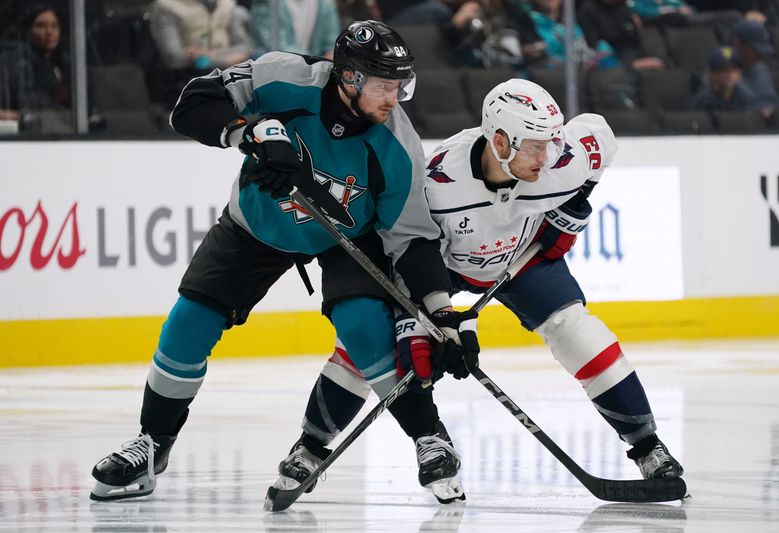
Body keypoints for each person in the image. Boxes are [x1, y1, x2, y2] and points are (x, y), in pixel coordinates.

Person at [89, 20, 479, 503]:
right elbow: (191, 105)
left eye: (400, 85)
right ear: (349, 76)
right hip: (256, 225)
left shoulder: (399, 147)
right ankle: (153, 444)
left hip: (347, 238)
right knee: (189, 322)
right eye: (384, 86)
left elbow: (413, 240)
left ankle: (430, 437)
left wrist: (442, 313)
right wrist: (248, 134)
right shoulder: (283, 77)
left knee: (362, 325)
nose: (394, 98)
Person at [276, 79, 685, 503]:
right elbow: (414, 256)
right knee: (370, 347)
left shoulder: (562, 158)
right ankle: (311, 448)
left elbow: (600, 137)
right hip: (444, 268)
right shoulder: (436, 186)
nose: (547, 158)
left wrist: (573, 205)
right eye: (535, 148)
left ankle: (648, 448)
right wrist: (428, 326)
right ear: (501, 141)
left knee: (578, 331)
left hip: (522, 259)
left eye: (551, 145)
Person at [0, 3, 71, 131]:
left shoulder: (67, 65)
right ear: (27, 30)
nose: (49, 31)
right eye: (41, 26)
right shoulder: (17, 65)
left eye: (54, 26)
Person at [248, 0, 341, 59]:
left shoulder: (325, 4)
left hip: (314, 70)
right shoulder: (267, 3)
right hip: (277, 66)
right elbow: (276, 46)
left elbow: (331, 45)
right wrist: (315, 62)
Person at [729, 19, 779, 118]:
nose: (760, 56)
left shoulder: (762, 69)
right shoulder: (720, 74)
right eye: (755, 50)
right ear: (737, 45)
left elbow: (774, 102)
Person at [692, 45, 758, 111]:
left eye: (734, 70)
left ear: (740, 73)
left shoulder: (746, 99)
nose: (730, 75)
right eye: (724, 70)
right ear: (713, 74)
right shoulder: (704, 101)